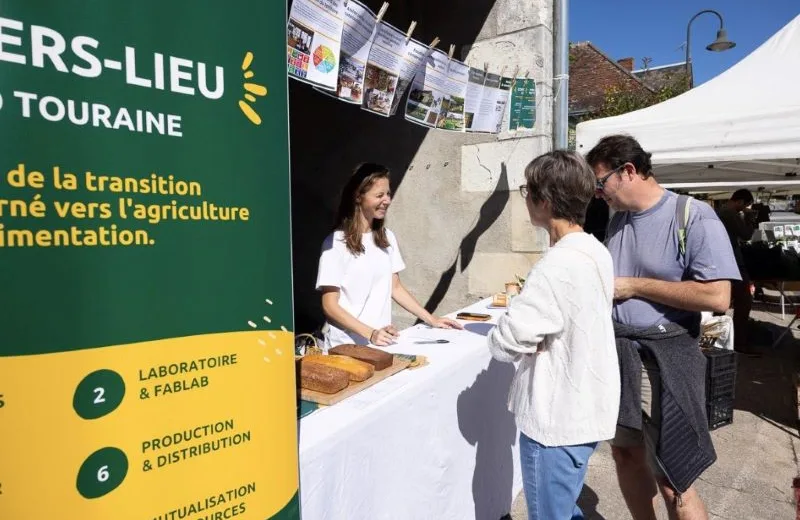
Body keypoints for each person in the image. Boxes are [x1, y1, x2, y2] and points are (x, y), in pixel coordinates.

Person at [586, 134, 740, 520]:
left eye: (600, 182)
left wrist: (635, 286)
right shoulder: (616, 219)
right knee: (624, 455)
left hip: (664, 363)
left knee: (675, 479)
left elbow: (717, 298)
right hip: (619, 357)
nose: (597, 193)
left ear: (629, 172)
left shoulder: (693, 215)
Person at [488, 150, 620, 520]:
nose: (524, 198)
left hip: (556, 419)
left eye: (526, 190)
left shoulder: (556, 266)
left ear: (544, 200)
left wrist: (513, 316)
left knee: (550, 514)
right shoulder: (595, 250)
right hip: (583, 407)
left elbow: (505, 342)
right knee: (563, 508)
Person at [316, 162, 461, 350]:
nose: (387, 200)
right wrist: (370, 333)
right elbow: (329, 306)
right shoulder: (335, 243)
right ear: (358, 196)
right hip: (347, 347)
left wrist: (431, 319)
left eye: (388, 194)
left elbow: (396, 288)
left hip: (382, 343)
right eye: (379, 195)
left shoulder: (387, 238)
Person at [717, 189, 757, 351]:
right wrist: (751, 219)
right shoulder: (729, 213)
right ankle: (738, 342)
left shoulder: (722, 212)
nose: (745, 209)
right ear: (739, 202)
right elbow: (746, 234)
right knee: (743, 301)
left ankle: (718, 340)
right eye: (745, 205)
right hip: (732, 263)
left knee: (721, 303)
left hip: (725, 262)